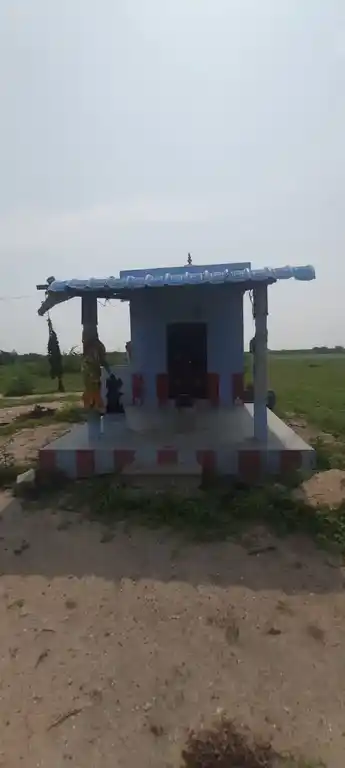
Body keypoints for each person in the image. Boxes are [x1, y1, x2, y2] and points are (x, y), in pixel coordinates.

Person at [82, 328, 110, 412]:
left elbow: (101, 360)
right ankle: (93, 406)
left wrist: (108, 369)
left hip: (92, 371)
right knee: (91, 389)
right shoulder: (90, 345)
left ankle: (95, 406)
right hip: (89, 371)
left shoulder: (95, 346)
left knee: (94, 389)